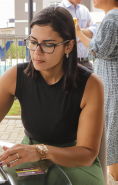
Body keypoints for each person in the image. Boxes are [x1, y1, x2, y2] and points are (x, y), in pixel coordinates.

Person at [0, 7, 104, 185]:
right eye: (33, 41)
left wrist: (41, 151)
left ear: (68, 46)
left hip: (74, 159)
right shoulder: (15, 76)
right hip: (28, 156)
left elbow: (86, 154)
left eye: (48, 44)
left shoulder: (90, 84)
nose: (37, 51)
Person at [75, 0, 118, 184]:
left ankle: (113, 177)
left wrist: (77, 33)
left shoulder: (111, 17)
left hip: (111, 82)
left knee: (110, 132)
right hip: (112, 79)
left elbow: (97, 50)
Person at [59, 0, 98, 71]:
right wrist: (85, 34)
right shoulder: (60, 10)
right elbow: (64, 37)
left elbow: (95, 31)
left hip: (86, 62)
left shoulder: (84, 10)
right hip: (69, 63)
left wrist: (78, 32)